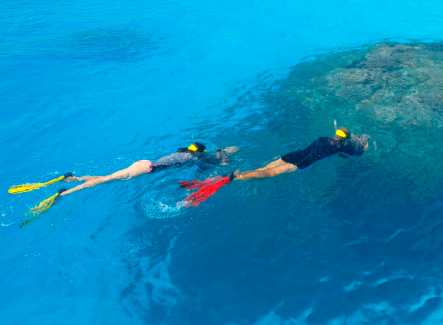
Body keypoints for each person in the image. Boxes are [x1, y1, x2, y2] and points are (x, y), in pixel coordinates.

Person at [10, 143, 238, 223]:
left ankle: (73, 178)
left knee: (107, 178)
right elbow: (203, 161)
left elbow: (197, 158)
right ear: (198, 153)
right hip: (145, 169)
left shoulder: (183, 153)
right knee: (106, 179)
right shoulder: (191, 157)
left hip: (144, 164)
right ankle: (64, 194)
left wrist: (217, 155)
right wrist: (222, 157)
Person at [181, 127, 370, 206]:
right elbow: (352, 153)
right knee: (270, 174)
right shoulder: (340, 148)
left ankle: (236, 176)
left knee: (267, 168)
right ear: (345, 140)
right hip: (302, 162)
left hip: (293, 154)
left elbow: (338, 141)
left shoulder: (324, 138)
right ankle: (234, 178)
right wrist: (362, 144)